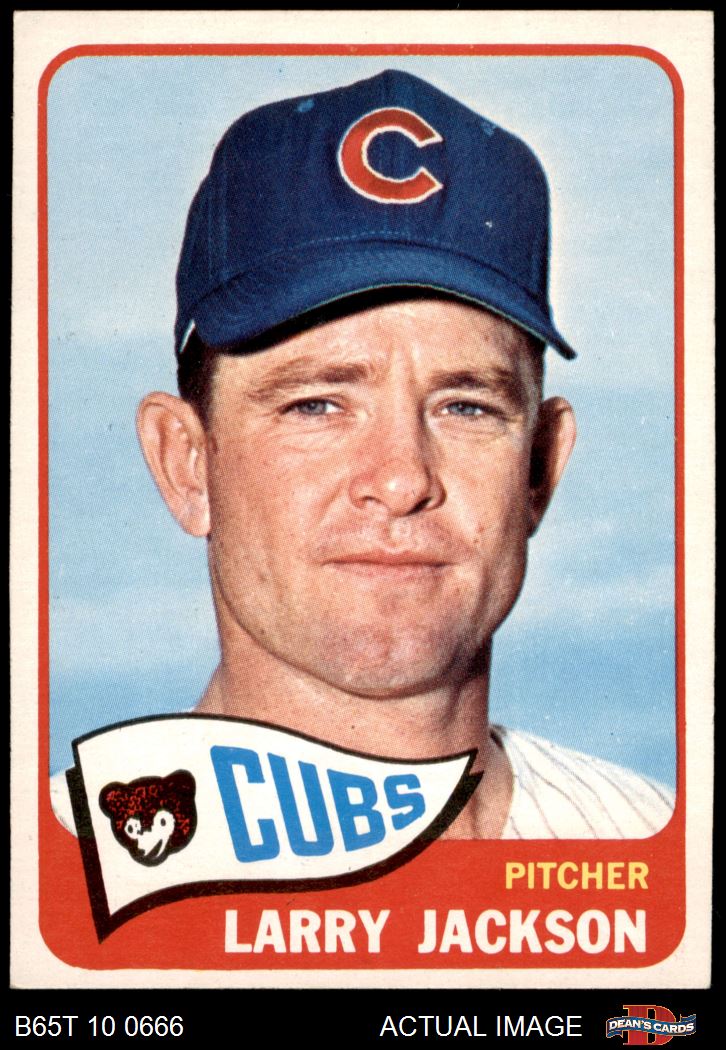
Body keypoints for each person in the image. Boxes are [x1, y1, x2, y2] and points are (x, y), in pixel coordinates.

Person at [54, 69, 674, 839]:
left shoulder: (661, 849)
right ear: (186, 463)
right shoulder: (51, 869)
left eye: (466, 406)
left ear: (541, 469)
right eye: (316, 404)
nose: (401, 479)